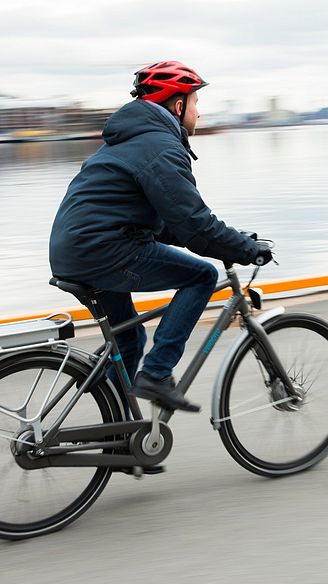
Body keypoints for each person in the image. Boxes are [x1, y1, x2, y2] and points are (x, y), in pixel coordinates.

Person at [49, 60, 272, 415]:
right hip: (106, 250)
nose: (198, 113)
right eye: (196, 103)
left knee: (128, 338)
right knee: (201, 276)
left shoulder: (131, 140)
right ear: (178, 105)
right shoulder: (160, 147)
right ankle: (156, 373)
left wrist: (232, 239)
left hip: (78, 250)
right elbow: (195, 226)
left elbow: (170, 225)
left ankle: (120, 431)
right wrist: (245, 249)